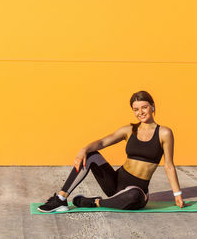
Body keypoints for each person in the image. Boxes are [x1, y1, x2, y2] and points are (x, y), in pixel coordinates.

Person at [37, 90, 185, 212]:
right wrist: (84, 149)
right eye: (136, 109)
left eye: (144, 107)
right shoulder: (128, 130)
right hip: (115, 183)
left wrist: (177, 194)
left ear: (152, 106)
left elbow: (168, 165)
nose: (140, 112)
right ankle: (61, 199)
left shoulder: (164, 133)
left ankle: (95, 202)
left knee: (133, 196)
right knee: (90, 155)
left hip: (137, 190)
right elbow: (102, 142)